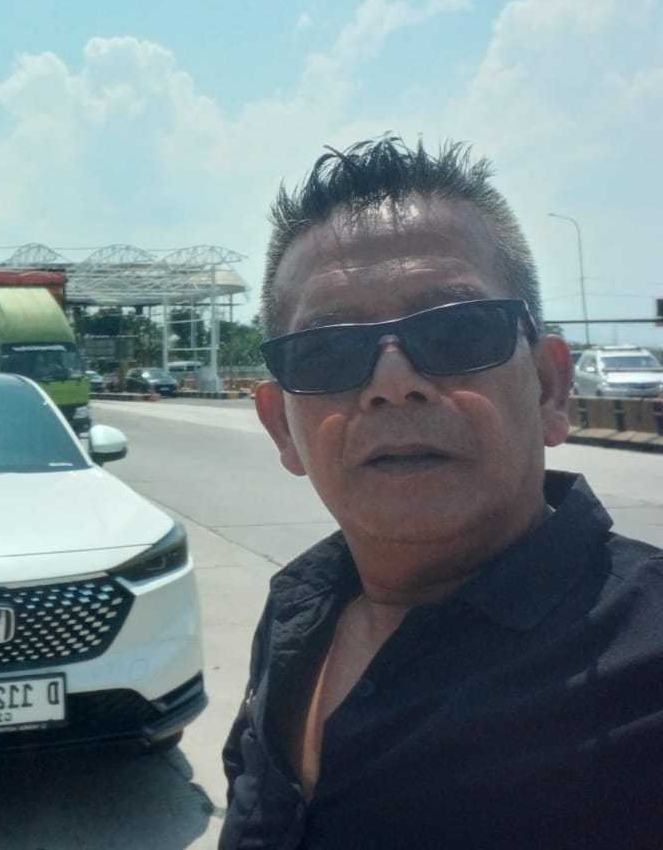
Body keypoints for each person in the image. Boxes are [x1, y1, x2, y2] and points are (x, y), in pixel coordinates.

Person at [219, 137, 663, 849]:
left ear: (549, 387)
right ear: (282, 427)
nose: (393, 383)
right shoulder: (295, 614)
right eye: (329, 352)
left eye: (456, 331)